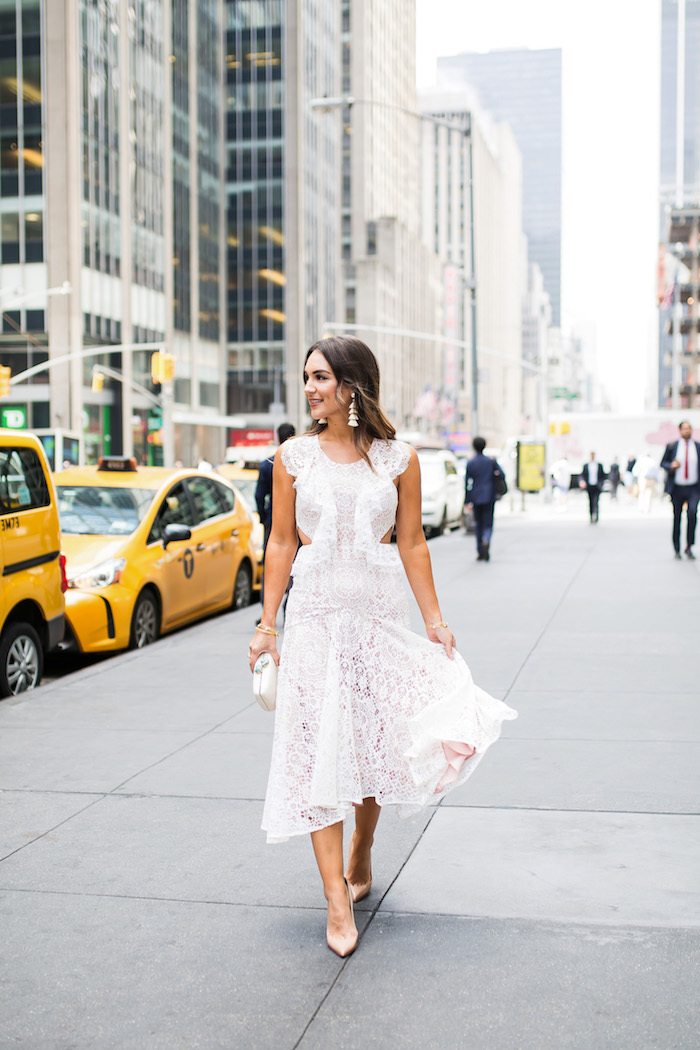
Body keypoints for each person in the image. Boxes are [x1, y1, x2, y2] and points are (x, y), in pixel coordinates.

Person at [247, 336, 516, 958]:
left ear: (352, 385)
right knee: (317, 749)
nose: (310, 387)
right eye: (307, 377)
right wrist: (267, 626)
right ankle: (335, 897)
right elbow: (281, 543)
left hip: (375, 615)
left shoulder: (398, 460)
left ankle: (363, 848)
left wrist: (435, 621)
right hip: (313, 619)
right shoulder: (292, 458)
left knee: (368, 748)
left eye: (320, 377)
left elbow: (413, 543)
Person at [255, 423, 296, 606]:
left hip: (274, 520)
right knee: (295, 563)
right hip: (297, 520)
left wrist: (264, 517)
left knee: (271, 564)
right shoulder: (298, 464)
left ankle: (268, 610)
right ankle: (291, 603)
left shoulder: (268, 464)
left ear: (278, 438)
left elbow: (259, 495)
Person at [660, 420, 700, 559]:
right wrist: (671, 466)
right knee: (677, 518)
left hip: (694, 488)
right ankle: (676, 548)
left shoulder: (697, 446)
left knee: (692, 514)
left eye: (689, 428)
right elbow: (663, 463)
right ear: (680, 431)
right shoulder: (673, 446)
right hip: (677, 488)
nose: (686, 431)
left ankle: (689, 546)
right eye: (684, 429)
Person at [464, 437, 505, 561]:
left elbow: (467, 483)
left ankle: (480, 551)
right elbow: (502, 475)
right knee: (488, 523)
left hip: (476, 497)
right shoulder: (491, 461)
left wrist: (467, 499)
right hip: (489, 496)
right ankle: (486, 540)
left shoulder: (471, 463)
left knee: (478, 524)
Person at [579, 451, 606, 523]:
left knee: (596, 501)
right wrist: (582, 481)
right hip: (589, 486)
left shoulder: (599, 465)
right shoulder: (586, 465)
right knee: (590, 502)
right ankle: (591, 516)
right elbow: (582, 475)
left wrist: (601, 484)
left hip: (597, 486)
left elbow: (603, 476)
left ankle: (596, 516)